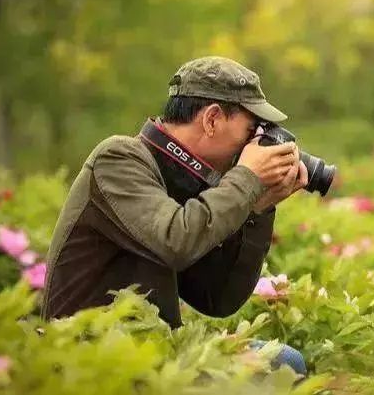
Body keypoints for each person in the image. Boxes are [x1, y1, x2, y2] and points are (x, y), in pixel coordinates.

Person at [41, 56, 309, 375]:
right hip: (92, 359)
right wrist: (247, 177)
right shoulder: (118, 159)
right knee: (282, 366)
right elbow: (175, 241)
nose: (254, 144)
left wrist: (257, 209)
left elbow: (218, 299)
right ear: (211, 120)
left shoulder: (184, 180)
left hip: (153, 352)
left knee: (285, 361)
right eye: (252, 131)